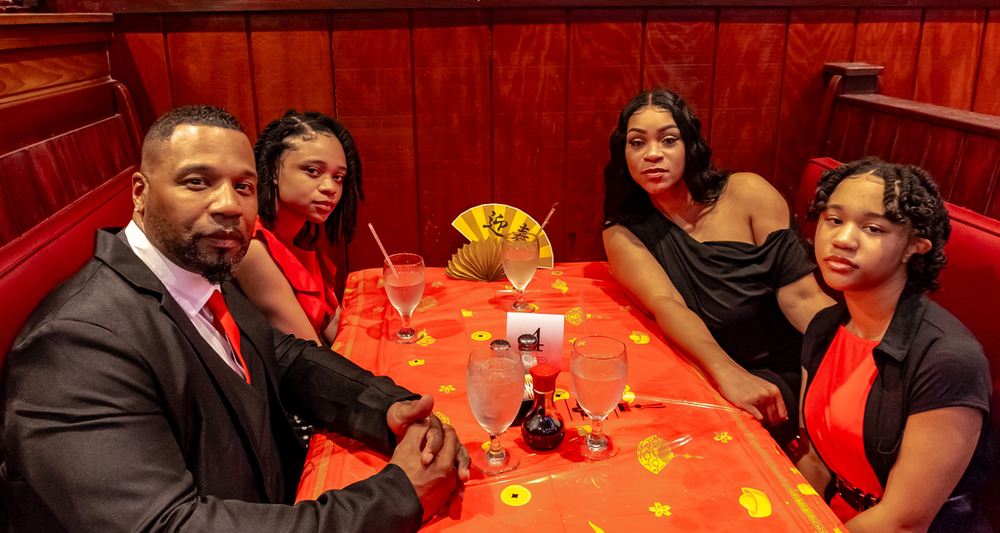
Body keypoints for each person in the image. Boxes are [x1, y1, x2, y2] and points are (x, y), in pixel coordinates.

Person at [0, 105, 469, 533]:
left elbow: (283, 356)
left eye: (242, 186)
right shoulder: (73, 345)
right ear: (140, 193)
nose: (229, 205)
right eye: (197, 182)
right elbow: (169, 526)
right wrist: (398, 495)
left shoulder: (199, 272)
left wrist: (388, 409)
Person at [601, 89, 835, 448]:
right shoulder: (624, 231)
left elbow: (802, 298)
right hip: (706, 367)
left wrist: (859, 357)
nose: (652, 154)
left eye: (668, 140)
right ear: (624, 155)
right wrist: (727, 373)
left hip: (785, 370)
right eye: (637, 143)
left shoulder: (747, 193)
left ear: (690, 145)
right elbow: (668, 304)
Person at [798, 157, 996, 532]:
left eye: (872, 228)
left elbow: (904, 522)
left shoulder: (949, 359)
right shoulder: (825, 326)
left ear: (914, 246)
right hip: (836, 516)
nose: (842, 239)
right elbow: (814, 459)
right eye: (834, 219)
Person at [236, 110, 359, 346]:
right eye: (313, 171)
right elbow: (310, 353)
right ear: (273, 169)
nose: (330, 188)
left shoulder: (302, 237)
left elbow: (334, 326)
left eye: (338, 177)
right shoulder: (253, 247)